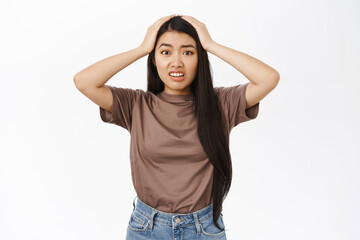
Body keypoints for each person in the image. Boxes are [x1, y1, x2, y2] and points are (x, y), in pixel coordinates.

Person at [74, 14, 279, 240]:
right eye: (165, 52)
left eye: (188, 52)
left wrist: (210, 44)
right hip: (147, 228)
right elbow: (84, 81)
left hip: (204, 229)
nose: (176, 62)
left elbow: (268, 78)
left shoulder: (221, 103)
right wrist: (142, 48)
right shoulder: (136, 105)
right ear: (154, 59)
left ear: (200, 59)